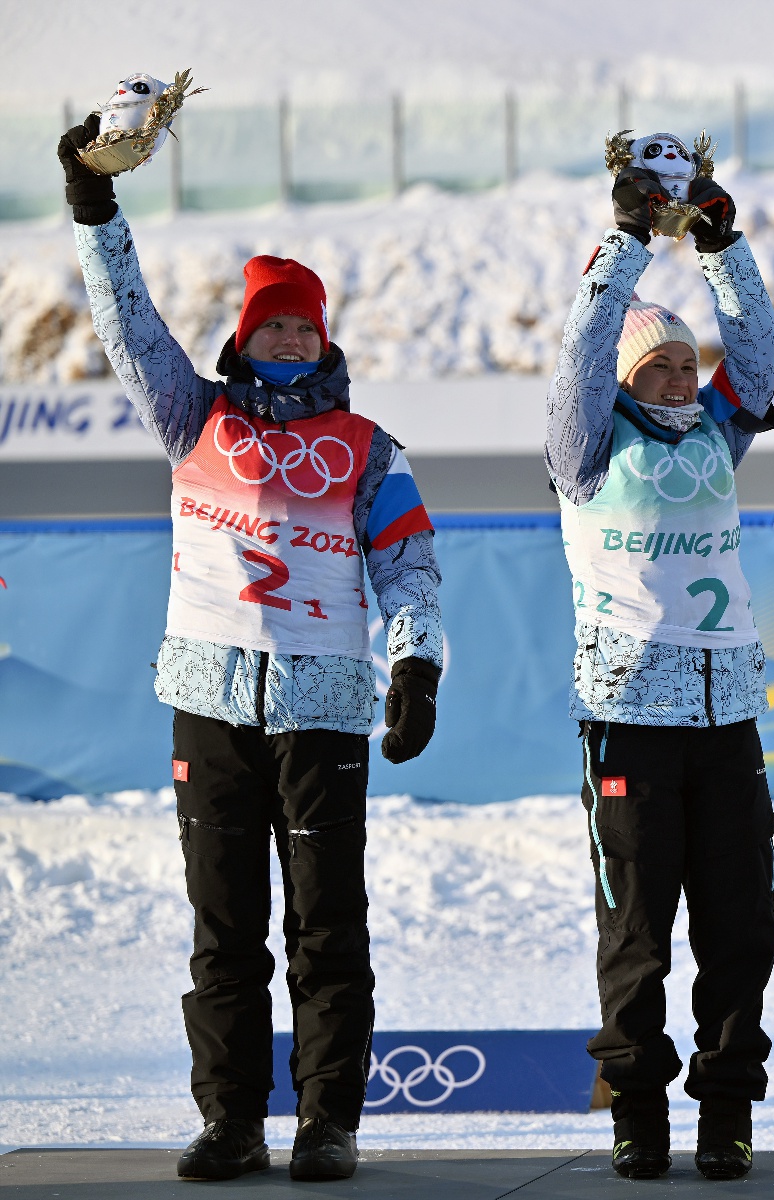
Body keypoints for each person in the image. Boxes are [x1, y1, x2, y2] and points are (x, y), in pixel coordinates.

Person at [58, 117, 445, 1182]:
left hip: (323, 711)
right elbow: (128, 327)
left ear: (324, 339)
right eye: (271, 325)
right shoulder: (193, 418)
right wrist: (96, 209)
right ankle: (230, 1120)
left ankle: (329, 1122)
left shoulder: (371, 449)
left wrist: (416, 664)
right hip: (211, 707)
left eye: (301, 326)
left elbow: (410, 568)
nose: (286, 340)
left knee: (328, 932)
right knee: (223, 931)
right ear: (242, 337)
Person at [547, 157, 774, 1182]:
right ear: (625, 382)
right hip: (627, 718)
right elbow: (578, 357)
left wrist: (720, 248)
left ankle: (725, 1108)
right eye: (661, 368)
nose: (682, 378)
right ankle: (636, 1108)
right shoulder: (585, 447)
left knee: (741, 929)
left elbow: (762, 361)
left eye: (686, 364)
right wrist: (630, 243)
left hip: (726, 716)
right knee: (638, 931)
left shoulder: (719, 435)